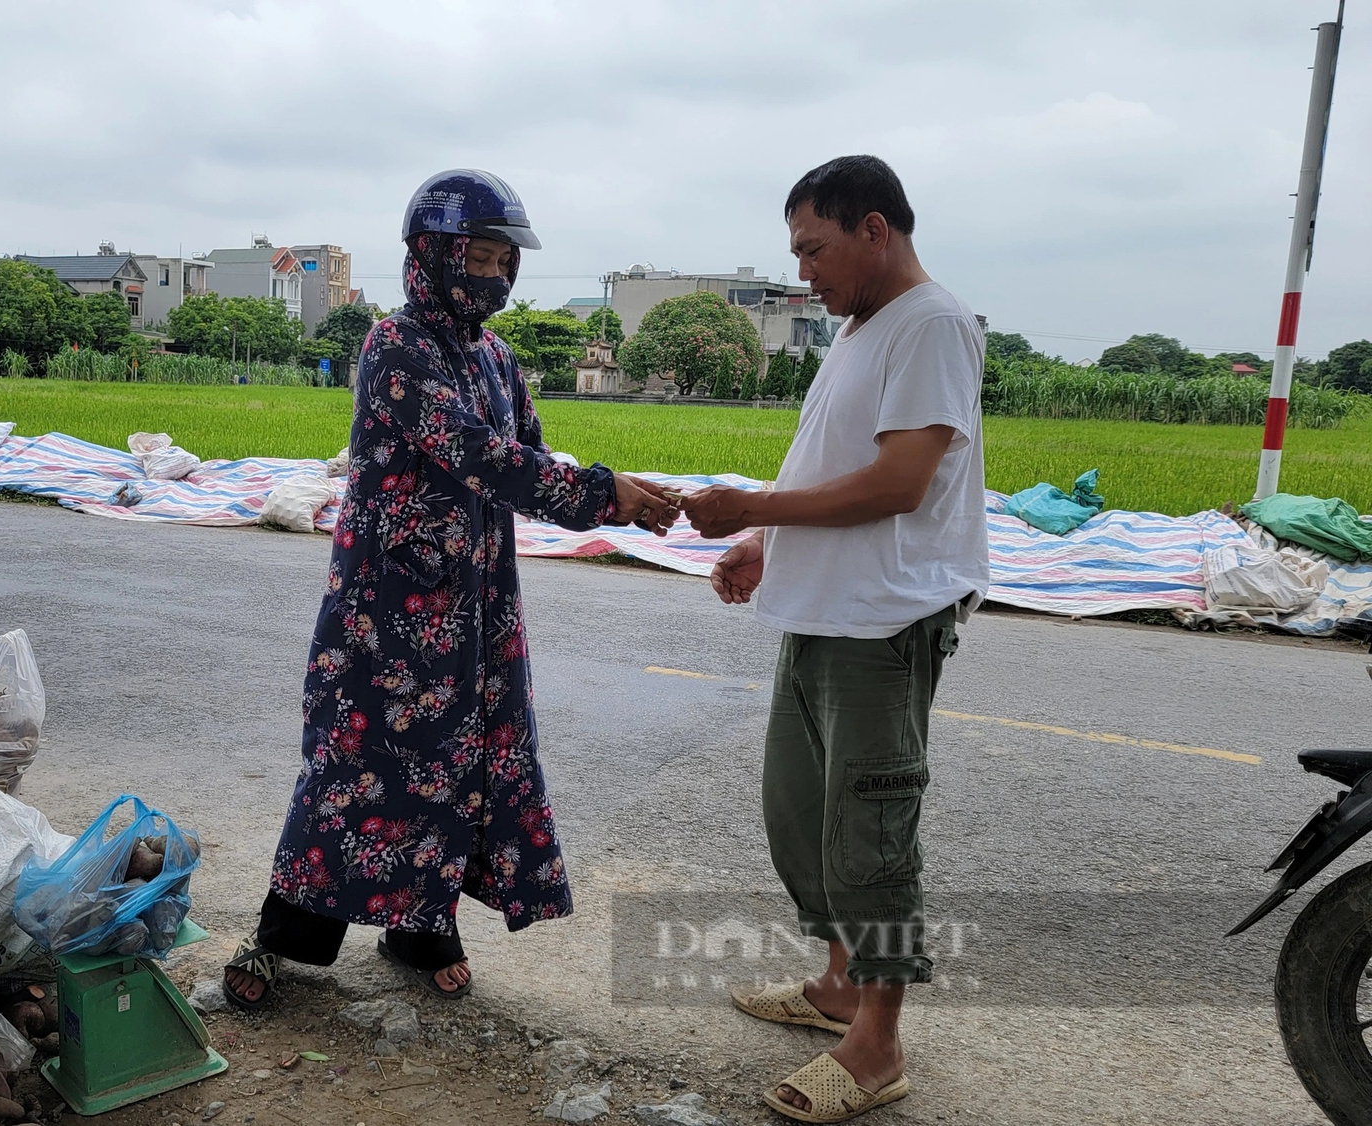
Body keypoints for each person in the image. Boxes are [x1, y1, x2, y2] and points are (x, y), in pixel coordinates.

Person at [224, 169, 678, 1008]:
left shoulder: (499, 359)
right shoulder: (393, 346)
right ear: (433, 253)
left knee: (454, 762)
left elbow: (529, 462)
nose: (497, 275)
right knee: (349, 764)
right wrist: (600, 494)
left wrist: (612, 488)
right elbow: (475, 452)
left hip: (474, 605)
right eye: (480, 254)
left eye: (508, 259)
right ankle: (283, 935)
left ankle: (422, 927)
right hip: (387, 608)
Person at [678, 155, 987, 1123]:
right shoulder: (858, 329)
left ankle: (875, 1045)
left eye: (811, 249)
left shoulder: (930, 324)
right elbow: (833, 461)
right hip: (820, 610)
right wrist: (767, 541)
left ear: (872, 230)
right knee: (805, 816)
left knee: (870, 832)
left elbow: (898, 484)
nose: (802, 271)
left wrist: (746, 507)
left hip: (882, 621)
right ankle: (836, 989)